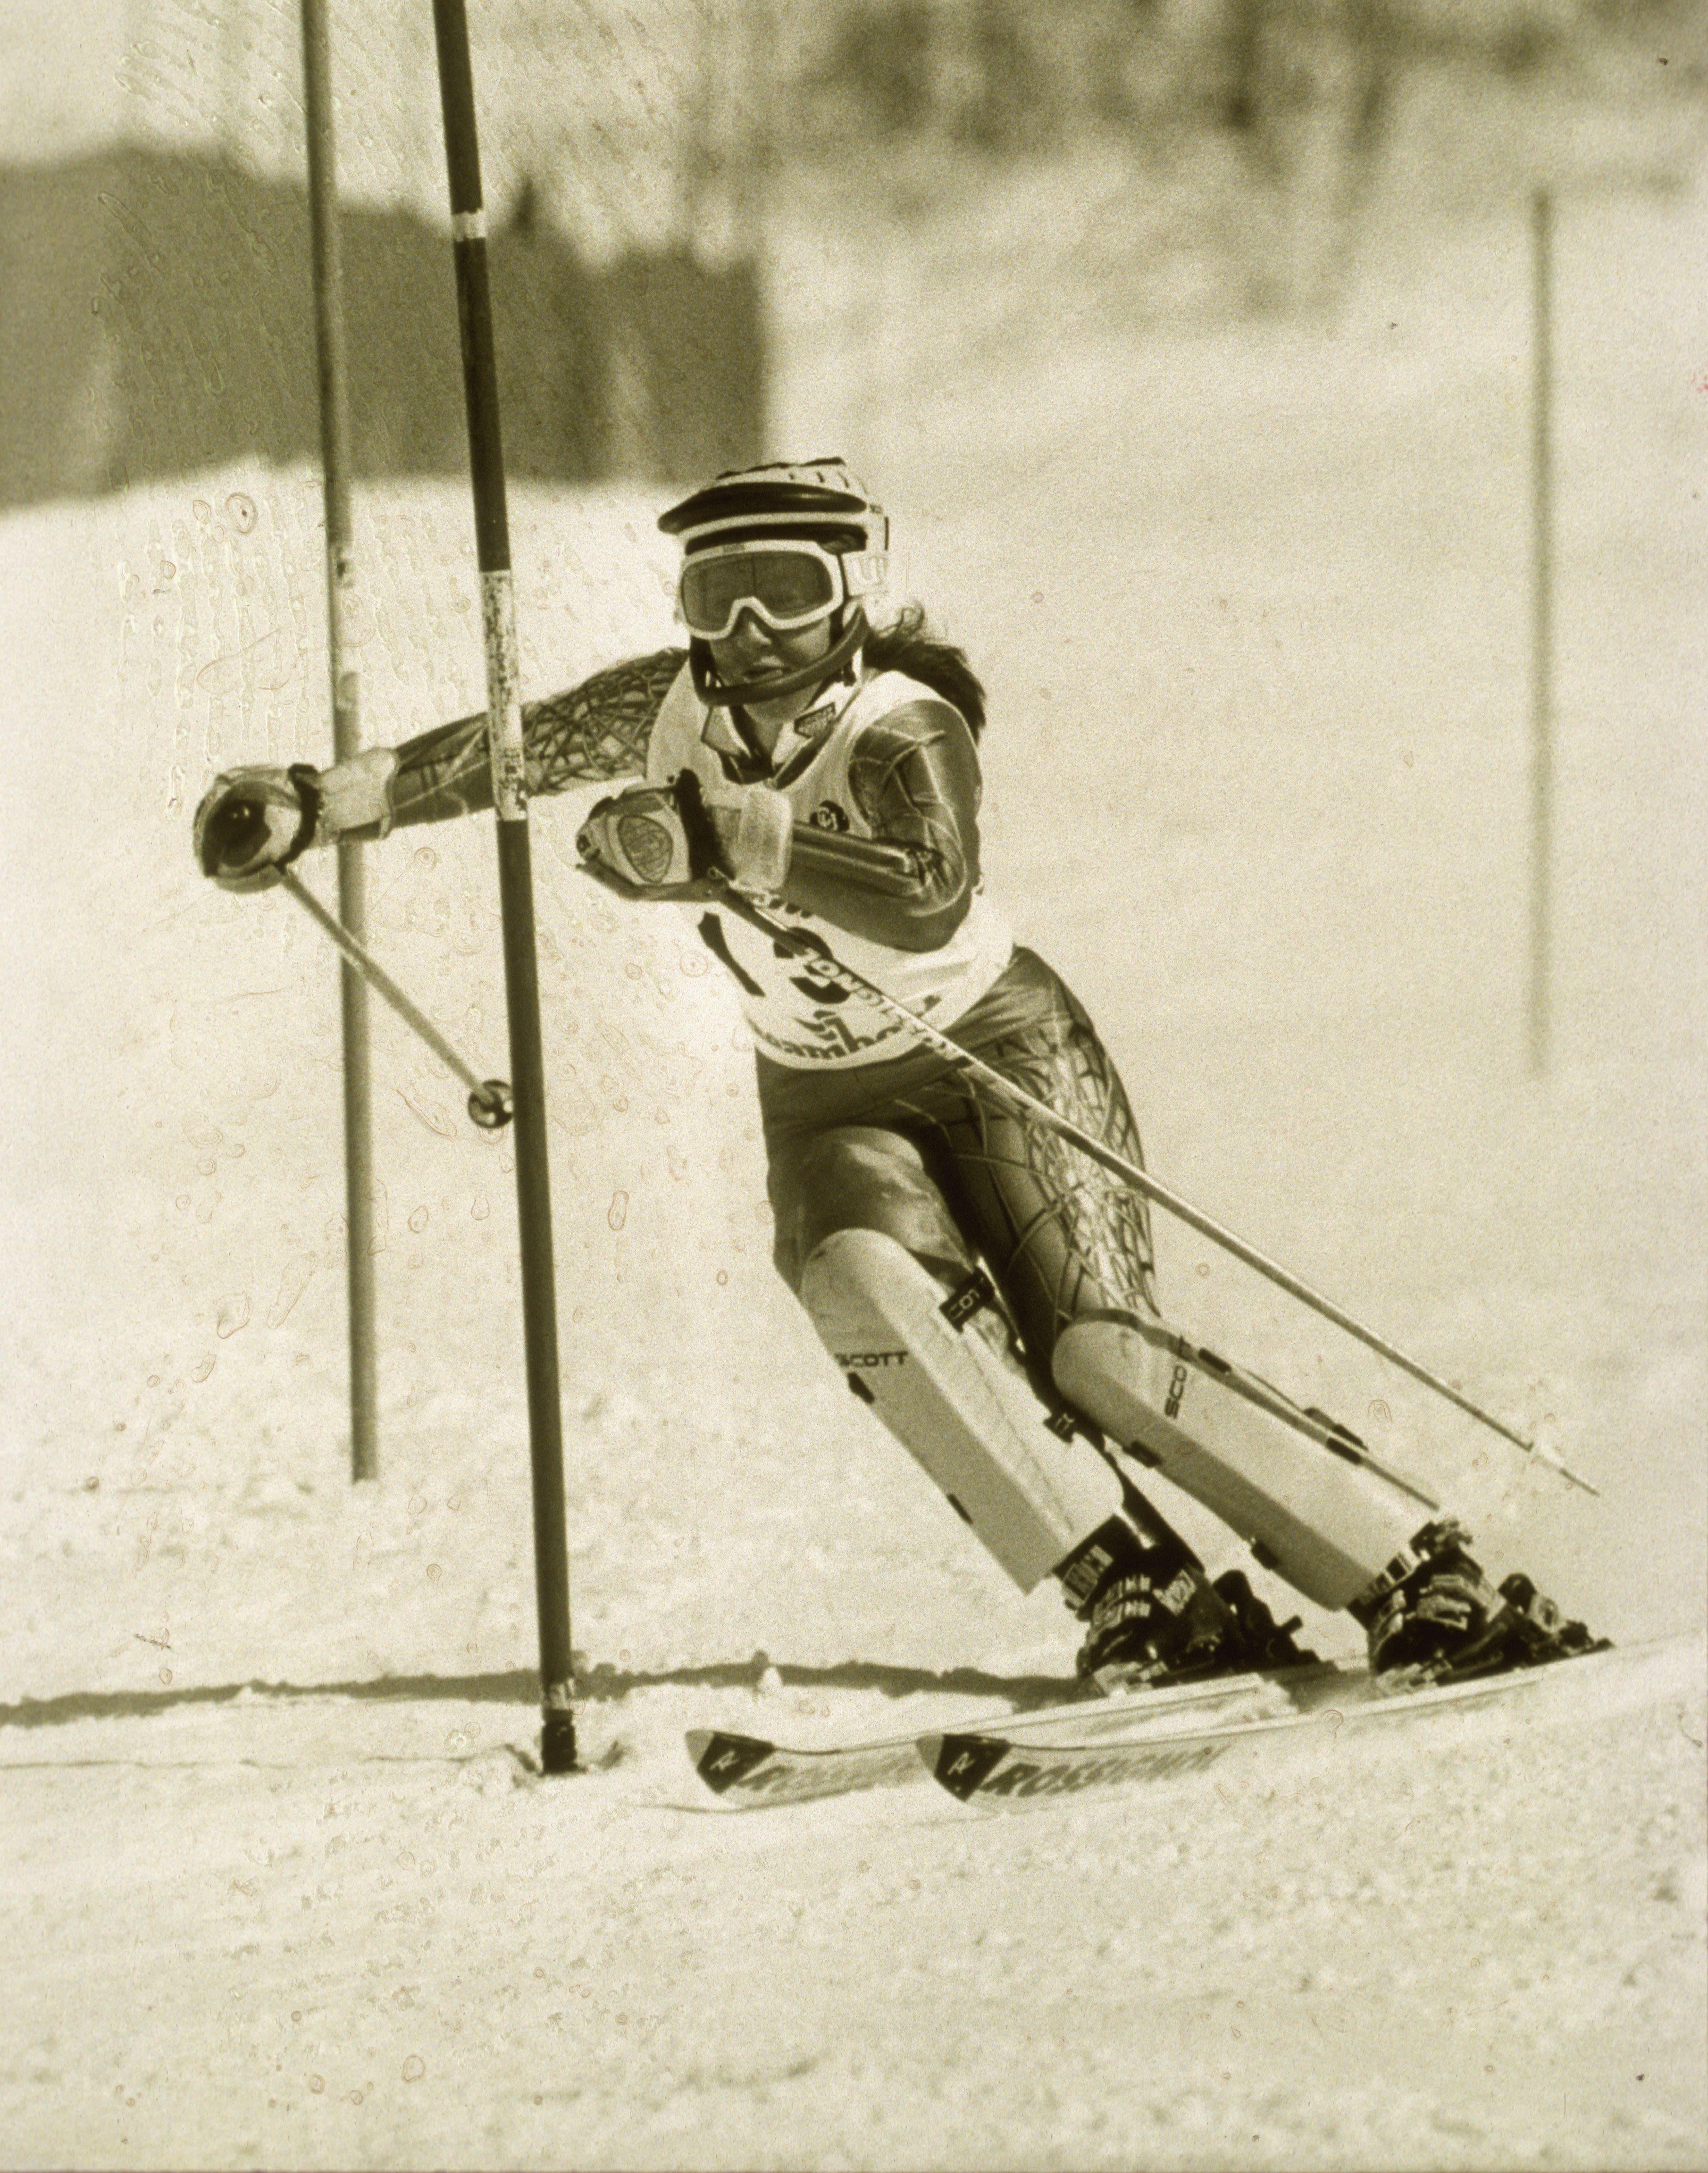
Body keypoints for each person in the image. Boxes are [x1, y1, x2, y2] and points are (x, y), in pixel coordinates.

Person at [194, 458, 1598, 1689]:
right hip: (820, 1087)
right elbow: (504, 752)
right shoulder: (667, 710)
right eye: (714, 590)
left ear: (847, 597)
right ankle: (1129, 1585)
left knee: (1097, 1353)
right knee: (858, 1289)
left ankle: (1411, 1568)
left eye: (783, 590)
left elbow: (927, 892)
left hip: (990, 1054)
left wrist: (731, 844)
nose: (746, 632)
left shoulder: (900, 719)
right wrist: (320, 803)